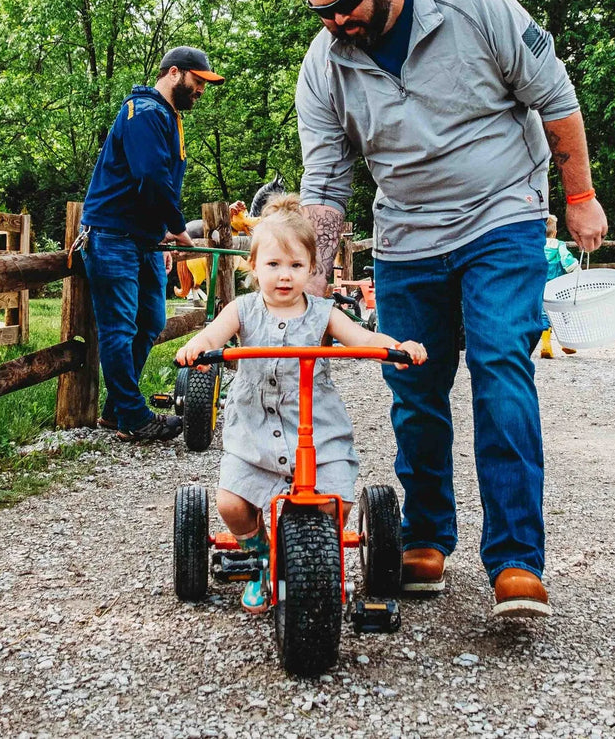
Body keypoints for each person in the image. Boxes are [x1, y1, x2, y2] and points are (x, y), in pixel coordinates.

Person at [292, 0, 607, 618]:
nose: (339, 22)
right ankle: (428, 534)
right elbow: (325, 184)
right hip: (406, 233)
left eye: (346, 4)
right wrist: (309, 285)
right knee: (414, 382)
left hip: (501, 212)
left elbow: (555, 97)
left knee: (500, 363)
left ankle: (518, 559)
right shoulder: (325, 66)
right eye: (323, 13)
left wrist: (580, 196)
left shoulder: (472, 5)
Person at [175, 195, 427, 612]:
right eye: (273, 265)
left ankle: (314, 555)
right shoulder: (242, 310)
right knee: (231, 505)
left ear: (312, 268)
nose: (284, 275)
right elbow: (212, 336)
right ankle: (260, 557)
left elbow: (363, 340)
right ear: (253, 266)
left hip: (315, 423)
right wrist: (197, 349)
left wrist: (397, 347)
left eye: (295, 265)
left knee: (337, 503)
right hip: (255, 425)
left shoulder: (324, 313)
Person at [79, 45, 224, 441]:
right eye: (198, 82)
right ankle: (132, 416)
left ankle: (117, 410)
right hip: (111, 237)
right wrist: (178, 229)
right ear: (174, 73)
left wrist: (158, 231)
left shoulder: (166, 116)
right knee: (120, 328)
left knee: (151, 321)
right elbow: (150, 177)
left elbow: (149, 185)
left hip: (141, 240)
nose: (201, 92)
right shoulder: (143, 112)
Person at [535, 215, 579, 359]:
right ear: (554, 233)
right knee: (563, 313)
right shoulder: (559, 244)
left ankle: (546, 345)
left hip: (540, 285)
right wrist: (576, 269)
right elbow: (567, 261)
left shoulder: (537, 245)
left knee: (543, 313)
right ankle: (566, 343)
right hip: (558, 286)